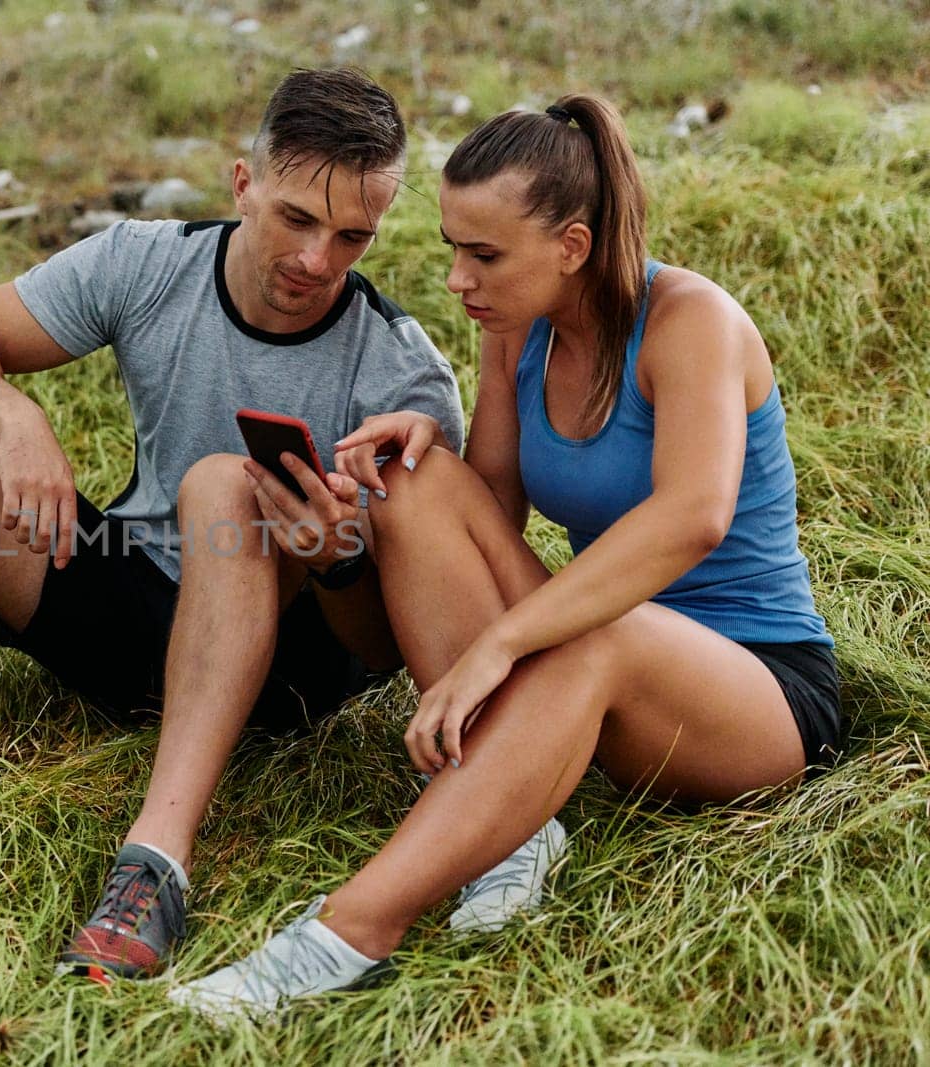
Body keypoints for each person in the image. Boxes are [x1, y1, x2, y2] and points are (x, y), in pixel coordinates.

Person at [0, 68, 562, 980]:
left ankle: (156, 859)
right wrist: (14, 416)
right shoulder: (147, 262)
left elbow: (380, 642)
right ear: (243, 185)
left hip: (283, 661)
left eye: (351, 235)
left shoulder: (400, 372)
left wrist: (337, 563)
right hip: (131, 609)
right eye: (296, 218)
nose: (318, 260)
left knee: (221, 484)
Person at [167, 94, 844, 1019]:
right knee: (414, 479)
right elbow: (486, 515)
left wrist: (501, 647)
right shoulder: (517, 329)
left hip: (756, 691)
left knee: (601, 638)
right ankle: (520, 828)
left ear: (571, 245)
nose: (455, 278)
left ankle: (350, 930)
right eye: (453, 246)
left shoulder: (692, 320)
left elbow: (695, 517)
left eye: (482, 254)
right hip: (595, 654)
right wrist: (418, 447)